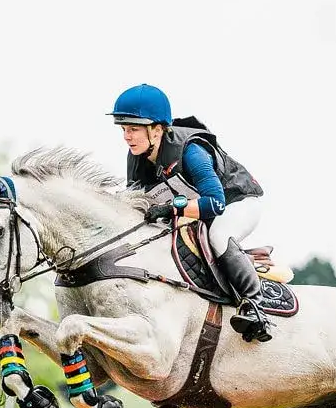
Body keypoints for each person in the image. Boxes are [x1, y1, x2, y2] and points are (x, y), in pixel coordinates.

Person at [107, 83, 273, 343]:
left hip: (237, 204)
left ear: (158, 129)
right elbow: (137, 204)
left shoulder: (191, 151)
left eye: (134, 129)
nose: (127, 137)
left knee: (218, 235)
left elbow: (215, 204)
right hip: (196, 212)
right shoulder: (137, 158)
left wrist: (170, 208)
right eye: (124, 129)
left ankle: (255, 305)